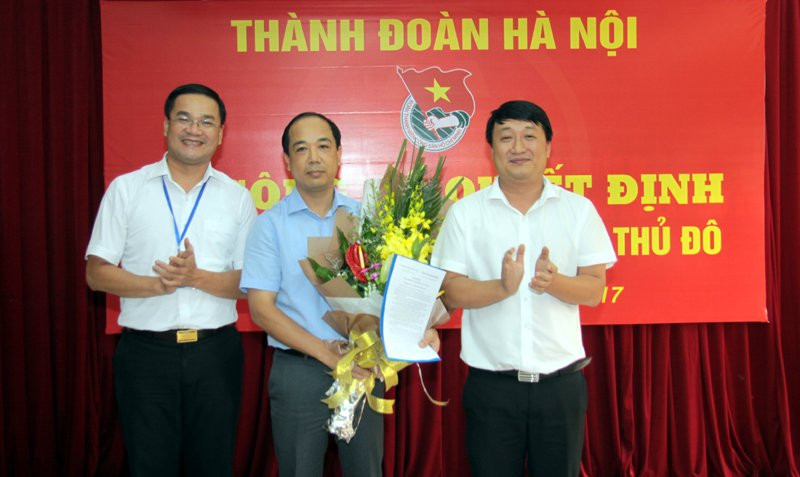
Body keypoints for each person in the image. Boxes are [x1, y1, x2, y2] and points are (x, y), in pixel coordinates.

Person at [430, 100, 617, 477]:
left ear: (548, 147)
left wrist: (554, 282)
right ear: (491, 149)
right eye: (506, 137)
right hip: (492, 388)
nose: (518, 147)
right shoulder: (465, 214)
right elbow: (451, 291)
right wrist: (502, 287)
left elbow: (594, 290)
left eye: (529, 136)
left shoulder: (578, 210)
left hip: (560, 387)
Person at [85, 83, 257, 477]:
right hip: (145, 355)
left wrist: (195, 278)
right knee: (150, 465)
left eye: (206, 122)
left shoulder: (237, 198)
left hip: (215, 355)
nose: (194, 129)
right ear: (166, 126)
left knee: (213, 466)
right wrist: (157, 285)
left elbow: (249, 283)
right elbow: (95, 273)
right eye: (184, 119)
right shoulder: (126, 189)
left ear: (220, 134)